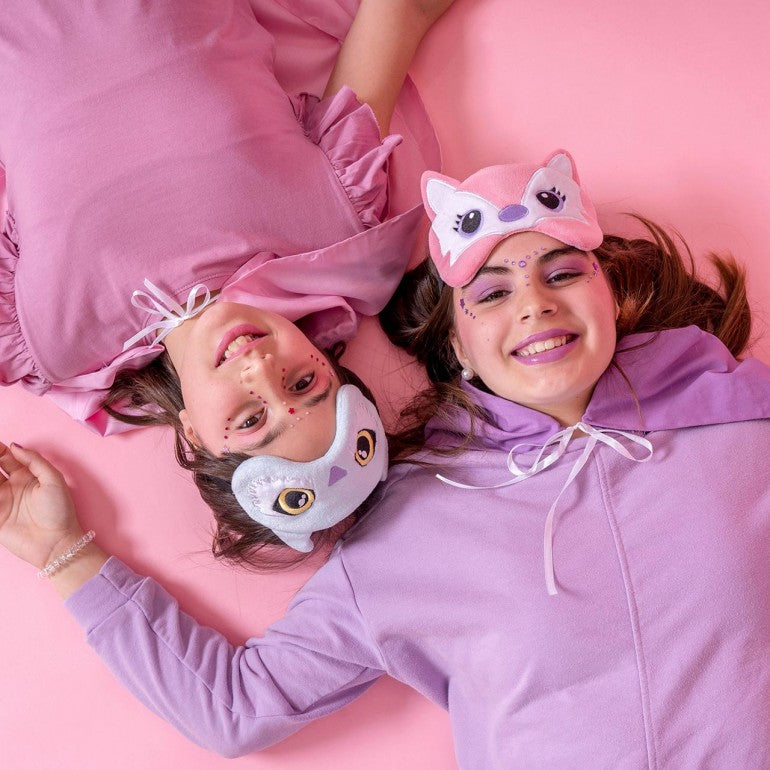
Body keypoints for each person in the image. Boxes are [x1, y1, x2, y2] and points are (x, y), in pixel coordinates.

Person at [1, 150, 768, 767]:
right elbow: (238, 708)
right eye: (490, 295)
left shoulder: (747, 422)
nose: (535, 304)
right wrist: (63, 553)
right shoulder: (410, 527)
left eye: (563, 273)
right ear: (456, 343)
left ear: (610, 296)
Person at [0, 0, 450, 561]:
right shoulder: (333, 220)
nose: (261, 370)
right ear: (325, 359)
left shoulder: (53, 342)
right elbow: (398, 12)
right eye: (304, 384)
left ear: (193, 433)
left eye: (251, 418)